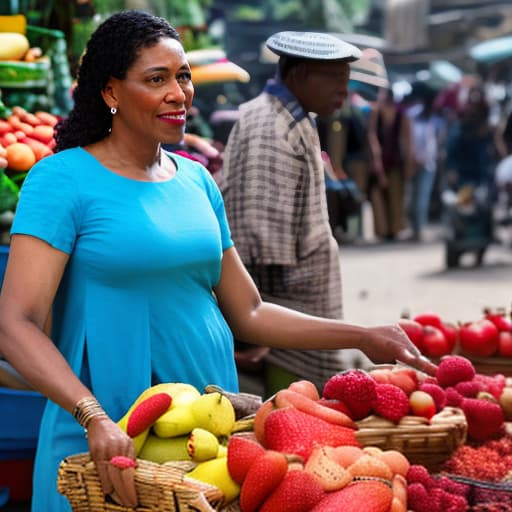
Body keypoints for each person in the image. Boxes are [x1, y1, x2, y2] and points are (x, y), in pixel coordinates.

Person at [0, 12, 435, 511]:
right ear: (111, 92)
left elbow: (248, 311)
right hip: (106, 428)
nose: (179, 93)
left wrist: (360, 334)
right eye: (156, 79)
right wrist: (92, 415)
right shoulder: (60, 180)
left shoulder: (195, 180)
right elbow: (15, 323)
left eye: (182, 76)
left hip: (208, 424)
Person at [220, 31, 416, 397]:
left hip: (296, 317)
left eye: (346, 79)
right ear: (299, 74)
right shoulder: (271, 127)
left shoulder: (293, 118)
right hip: (283, 327)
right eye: (336, 79)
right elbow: (259, 245)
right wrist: (254, 333)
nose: (344, 90)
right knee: (295, 417)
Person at [367, 87, 415, 241]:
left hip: (394, 160)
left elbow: (407, 141)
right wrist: (376, 159)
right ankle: (384, 230)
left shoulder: (401, 116)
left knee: (395, 195)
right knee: (381, 195)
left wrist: (408, 162)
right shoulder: (377, 114)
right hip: (384, 160)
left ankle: (393, 229)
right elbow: (372, 137)